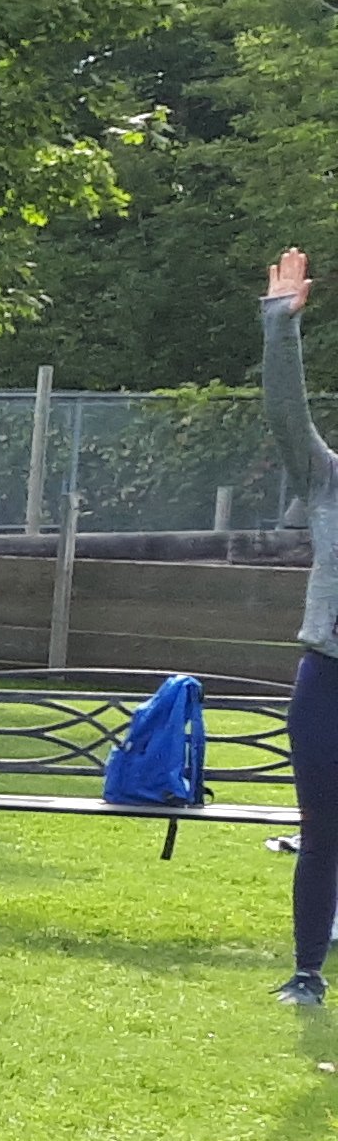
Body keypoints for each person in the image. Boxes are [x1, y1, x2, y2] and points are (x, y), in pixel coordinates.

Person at [261, 250, 335, 1008]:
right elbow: (287, 414)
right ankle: (307, 971)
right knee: (322, 832)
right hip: (328, 679)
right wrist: (280, 326)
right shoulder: (328, 481)